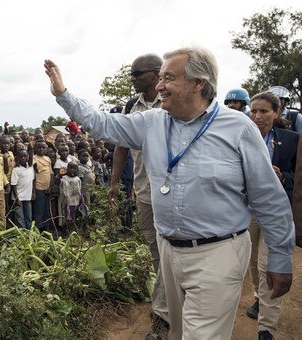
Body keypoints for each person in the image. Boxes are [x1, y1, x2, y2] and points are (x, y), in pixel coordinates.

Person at [44, 47, 294, 340]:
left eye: (168, 78)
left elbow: (269, 198)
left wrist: (279, 258)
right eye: (160, 77)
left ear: (198, 83)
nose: (159, 85)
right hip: (169, 252)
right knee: (181, 331)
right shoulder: (151, 122)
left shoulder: (238, 128)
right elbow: (104, 124)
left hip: (219, 252)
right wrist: (63, 94)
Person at [107, 54, 169, 339]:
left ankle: (161, 319)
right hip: (145, 192)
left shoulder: (171, 101)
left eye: (137, 73)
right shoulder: (131, 107)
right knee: (158, 256)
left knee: (170, 255)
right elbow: (121, 146)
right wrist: (114, 183)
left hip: (172, 192)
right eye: (131, 74)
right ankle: (166, 310)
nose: (132, 78)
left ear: (156, 74)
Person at [244, 91, 298, 340]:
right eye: (253, 110)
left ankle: (267, 329)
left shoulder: (292, 140)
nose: (257, 116)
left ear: (276, 113)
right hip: (249, 211)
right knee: (254, 263)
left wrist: (283, 177)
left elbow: (299, 179)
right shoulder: (240, 138)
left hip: (277, 213)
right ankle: (258, 297)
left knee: (269, 265)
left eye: (263, 111)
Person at [10, 149, 35, 229]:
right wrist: (17, 199)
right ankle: (23, 235)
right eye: (21, 157)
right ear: (17, 158)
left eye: (25, 156)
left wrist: (33, 192)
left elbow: (33, 180)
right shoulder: (16, 170)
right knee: (20, 218)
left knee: (29, 217)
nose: (23, 158)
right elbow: (13, 185)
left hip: (27, 197)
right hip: (18, 198)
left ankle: (29, 233)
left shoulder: (30, 167)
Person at [33, 140, 52, 230]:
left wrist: (50, 186)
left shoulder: (48, 159)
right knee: (39, 210)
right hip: (38, 188)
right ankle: (38, 230)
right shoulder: (34, 158)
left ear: (46, 149)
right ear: (35, 149)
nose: (41, 149)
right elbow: (35, 170)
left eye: (43, 148)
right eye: (39, 147)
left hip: (47, 188)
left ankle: (46, 228)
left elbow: (50, 173)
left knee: (47, 210)